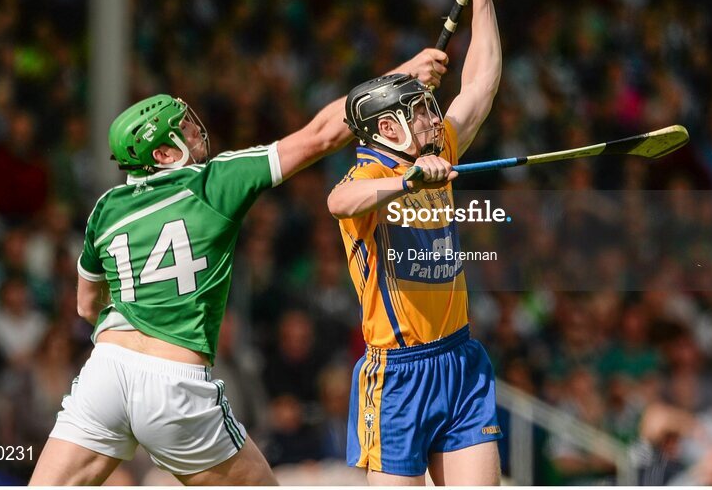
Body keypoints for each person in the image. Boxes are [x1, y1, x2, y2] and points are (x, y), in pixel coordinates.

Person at [29, 49, 447, 486]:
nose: (196, 130)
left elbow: (86, 306)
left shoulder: (105, 208)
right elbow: (320, 137)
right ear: (166, 154)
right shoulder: (213, 182)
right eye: (182, 129)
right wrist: (399, 77)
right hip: (175, 384)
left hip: (106, 370)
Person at [327, 0, 503, 485]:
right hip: (397, 376)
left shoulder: (437, 149)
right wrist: (409, 181)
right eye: (420, 111)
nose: (433, 116)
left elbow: (480, 87)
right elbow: (338, 202)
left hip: (460, 360)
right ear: (387, 130)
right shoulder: (368, 176)